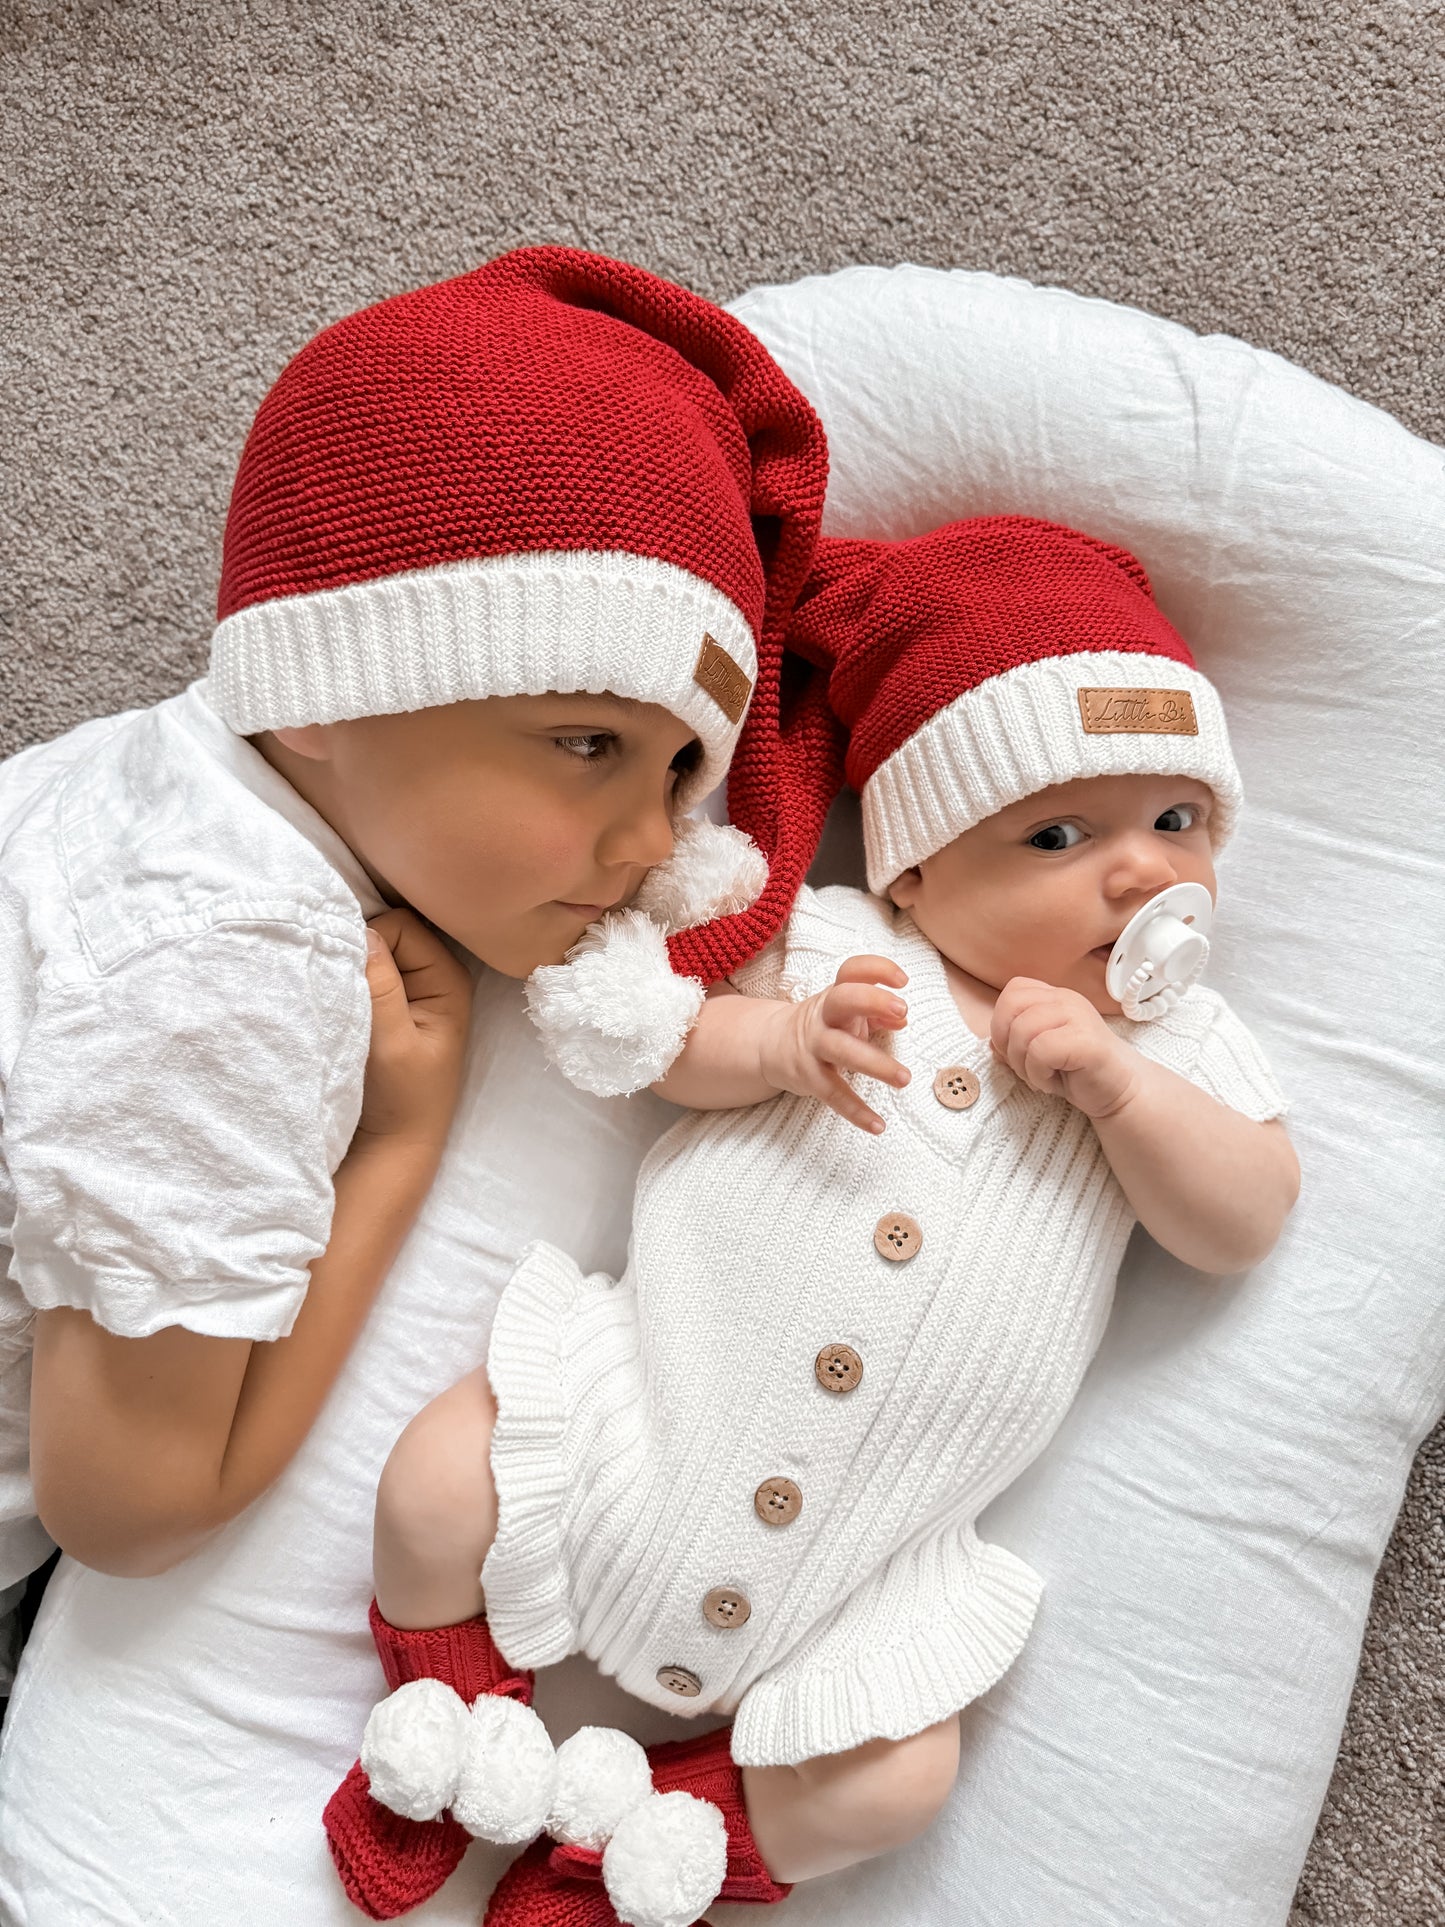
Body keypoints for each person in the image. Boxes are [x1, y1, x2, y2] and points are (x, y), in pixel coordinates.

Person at [325, 517, 1300, 1927]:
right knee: (433, 1482)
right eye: (1057, 833)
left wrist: (1120, 1091)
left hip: (861, 1570)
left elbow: (1244, 1217)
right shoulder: (840, 945)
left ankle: (659, 1846)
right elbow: (662, 1043)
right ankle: (448, 1719)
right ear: (914, 867)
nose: (1141, 873)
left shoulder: (1177, 1044)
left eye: (1177, 820)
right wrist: (778, 1047)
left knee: (897, 1778)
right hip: (633, 1424)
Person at [0, 247, 834, 1697]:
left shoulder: (124, 779)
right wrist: (397, 1142)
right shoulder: (240, 973)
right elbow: (129, 1509)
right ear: (323, 694)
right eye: (588, 743)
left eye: (685, 769)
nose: (651, 841)